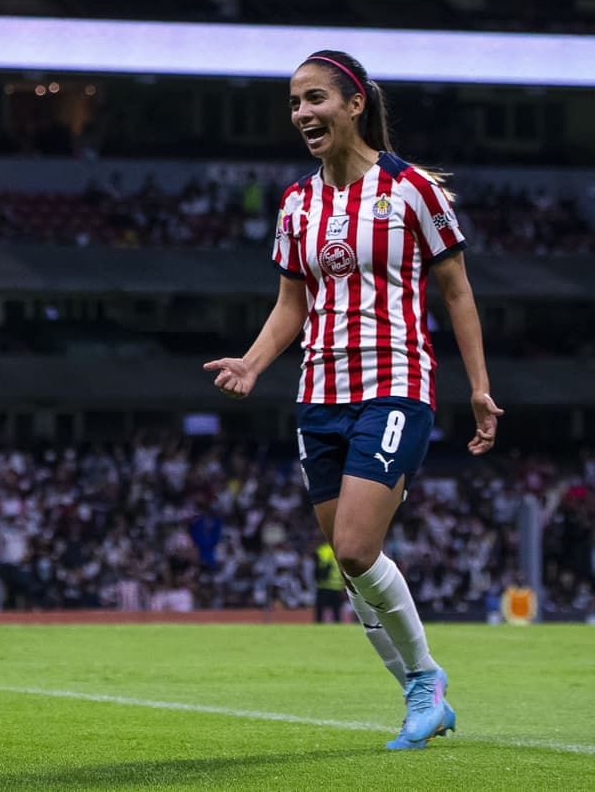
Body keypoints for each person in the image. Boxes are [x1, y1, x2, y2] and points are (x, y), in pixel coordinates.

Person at [204, 50, 503, 751]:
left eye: (315, 99)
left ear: (355, 103)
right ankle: (422, 696)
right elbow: (291, 305)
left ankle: (425, 681)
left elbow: (457, 291)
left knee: (358, 548)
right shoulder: (298, 203)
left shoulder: (411, 191)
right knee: (350, 566)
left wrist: (480, 387)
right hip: (319, 395)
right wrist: (251, 363)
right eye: (294, 103)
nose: (303, 113)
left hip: (395, 383)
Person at [313, 540, 344, 623]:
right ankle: (338, 632)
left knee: (319, 613)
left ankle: (317, 630)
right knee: (337, 613)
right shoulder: (340, 550)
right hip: (337, 587)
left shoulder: (321, 550)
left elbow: (317, 568)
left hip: (322, 586)